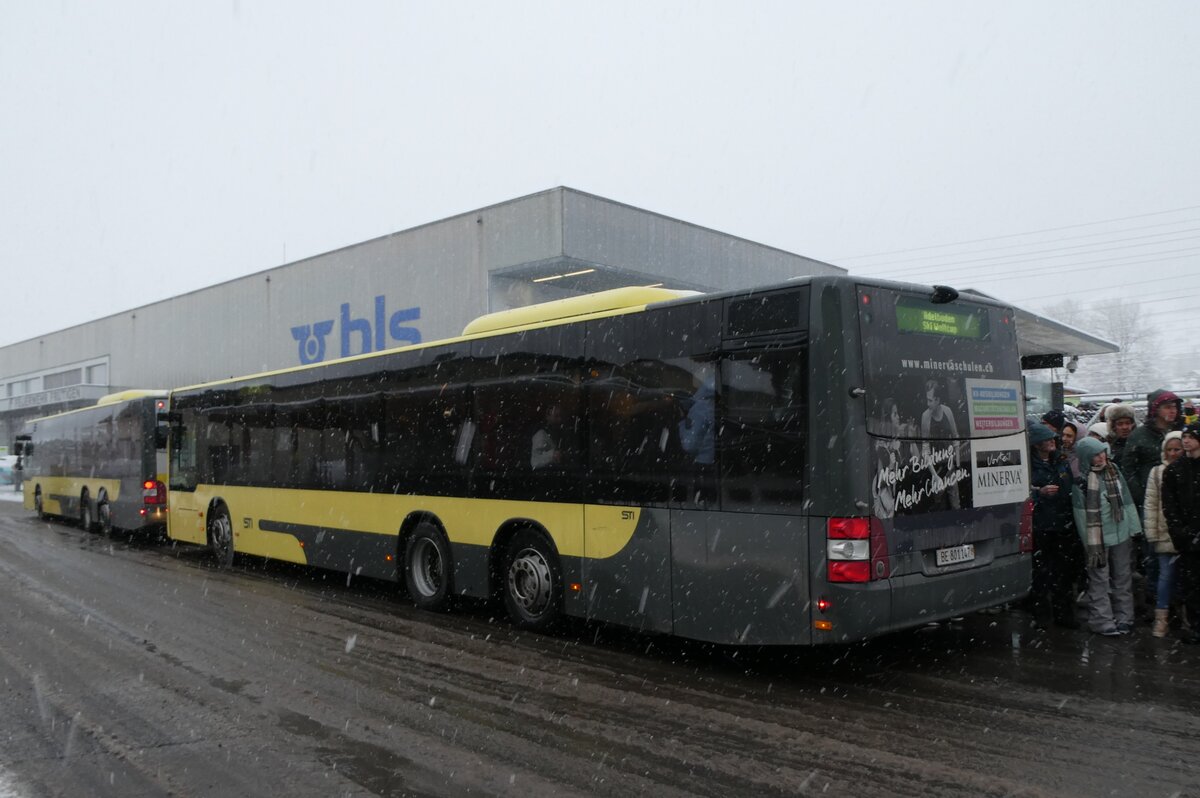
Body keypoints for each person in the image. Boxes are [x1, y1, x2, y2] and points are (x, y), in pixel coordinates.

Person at [1071, 436, 1142, 636]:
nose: (1101, 457)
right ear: (1086, 458)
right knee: (1099, 580)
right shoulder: (1082, 483)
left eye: (1102, 452)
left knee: (1122, 577)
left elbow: (1126, 500)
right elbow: (1081, 516)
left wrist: (1133, 527)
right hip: (1098, 538)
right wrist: (1089, 544)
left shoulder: (1114, 472)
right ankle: (1102, 621)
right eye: (1095, 455)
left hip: (1120, 533)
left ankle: (1124, 618)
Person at [1028, 423, 1081, 628]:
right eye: (1047, 439)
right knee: (1041, 573)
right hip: (1041, 525)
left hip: (1062, 524)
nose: (1052, 441)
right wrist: (1038, 494)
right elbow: (1021, 492)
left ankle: (1064, 615)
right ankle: (1042, 616)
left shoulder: (1060, 460)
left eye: (1053, 438)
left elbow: (1069, 487)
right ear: (1036, 444)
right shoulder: (1030, 465)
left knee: (1063, 573)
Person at [1162, 421, 1200, 644]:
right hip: (1186, 537)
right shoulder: (1175, 470)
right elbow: (1170, 505)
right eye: (1184, 436)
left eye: (1191, 436)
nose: (1186, 440)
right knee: (1191, 584)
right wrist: (1181, 532)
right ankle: (1196, 626)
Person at [1143, 431, 1184, 637]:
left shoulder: (1190, 470)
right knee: (1166, 577)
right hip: (1164, 532)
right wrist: (1151, 533)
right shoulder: (1157, 472)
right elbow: (1150, 504)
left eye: (1177, 449)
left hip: (1186, 534)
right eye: (1170, 449)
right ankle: (1162, 619)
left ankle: (1185, 616)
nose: (1173, 453)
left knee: (1186, 578)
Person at [677, 367, 716, 466]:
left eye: (696, 372)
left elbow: (689, 445)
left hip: (703, 463)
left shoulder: (701, 408)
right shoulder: (712, 401)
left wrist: (681, 422)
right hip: (713, 460)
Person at [530, 404, 571, 470]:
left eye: (561, 416)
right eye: (556, 416)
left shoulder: (562, 432)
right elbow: (535, 461)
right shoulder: (541, 434)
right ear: (547, 417)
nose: (560, 419)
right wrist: (553, 455)